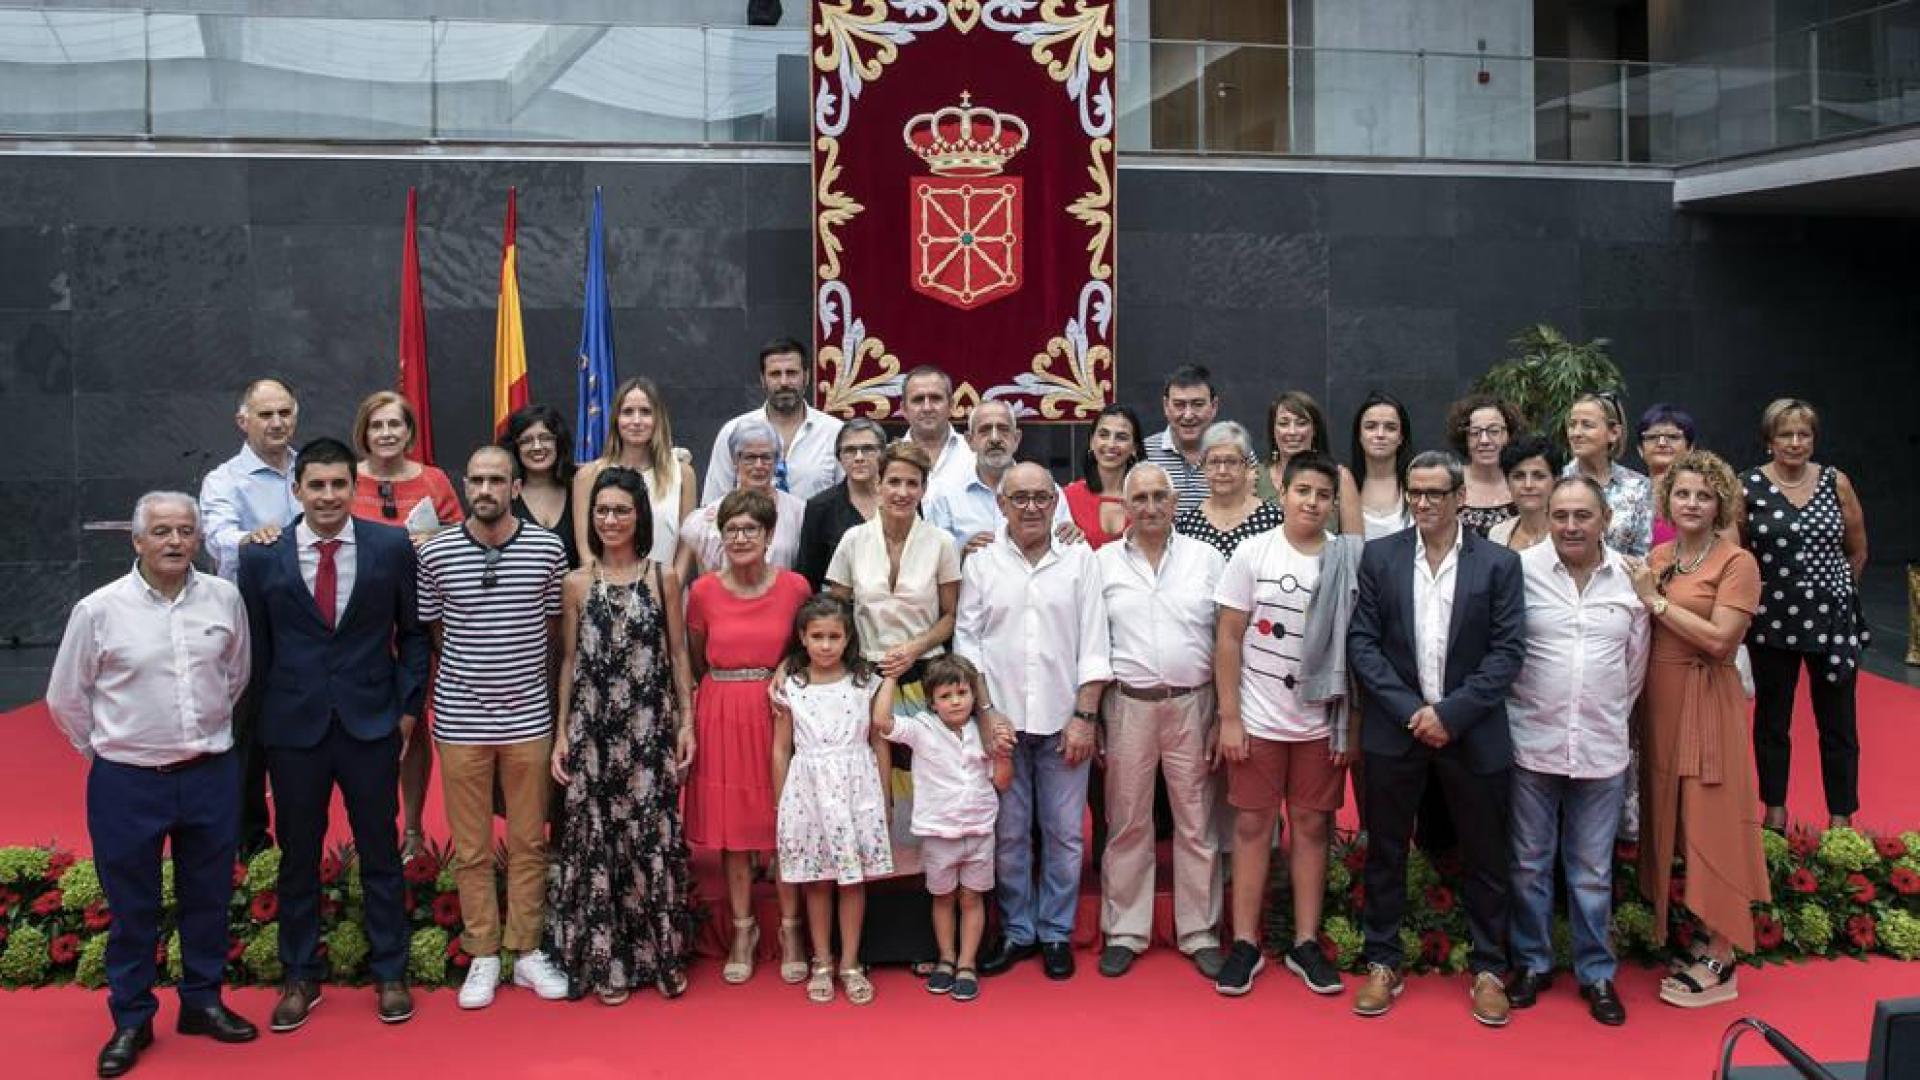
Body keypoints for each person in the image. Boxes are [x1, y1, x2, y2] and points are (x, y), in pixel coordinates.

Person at [48, 492, 259, 1077]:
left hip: (210, 774)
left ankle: (203, 1002)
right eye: (161, 531)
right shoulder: (99, 610)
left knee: (209, 897)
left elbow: (236, 675)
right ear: (137, 541)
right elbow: (66, 697)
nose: (174, 541)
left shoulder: (225, 598)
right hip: (127, 782)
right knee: (132, 906)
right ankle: (132, 1017)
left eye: (185, 531)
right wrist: (110, 748)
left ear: (197, 539)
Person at [237, 437, 428, 1034]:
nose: (327, 495)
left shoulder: (390, 547)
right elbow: (255, 652)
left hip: (370, 722)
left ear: (355, 487)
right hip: (293, 730)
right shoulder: (260, 557)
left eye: (338, 484)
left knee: (380, 851)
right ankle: (299, 975)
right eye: (315, 485)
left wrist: (405, 707)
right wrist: (258, 733)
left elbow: (414, 634)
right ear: (297, 489)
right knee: (298, 857)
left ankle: (390, 972)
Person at [1347, 450, 1525, 1027]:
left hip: (1471, 733)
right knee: (1386, 851)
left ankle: (1491, 968)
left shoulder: (1498, 564)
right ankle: (1382, 960)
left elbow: (1507, 654)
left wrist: (1451, 713)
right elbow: (1363, 646)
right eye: (1414, 493)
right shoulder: (1380, 557)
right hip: (1396, 732)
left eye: (1435, 494)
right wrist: (1411, 712)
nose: (1423, 504)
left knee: (1485, 854)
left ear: (1459, 499)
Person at [416, 446, 571, 1010]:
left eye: (497, 480)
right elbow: (435, 633)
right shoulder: (434, 554)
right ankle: (483, 951)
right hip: (460, 718)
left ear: (514, 488)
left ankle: (527, 951)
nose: (486, 489)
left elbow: (555, 632)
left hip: (529, 716)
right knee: (475, 844)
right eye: (477, 479)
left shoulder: (547, 549)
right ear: (465, 484)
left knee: (531, 839)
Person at [1212, 453, 1363, 997]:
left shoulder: (1345, 559)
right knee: (1252, 828)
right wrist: (1229, 717)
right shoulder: (1253, 553)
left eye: (1323, 494)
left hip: (1321, 724)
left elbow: (1359, 647)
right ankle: (1247, 943)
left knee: (1312, 828)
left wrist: (1351, 727)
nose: (1312, 502)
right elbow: (1228, 638)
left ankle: (1303, 941)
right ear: (1283, 490)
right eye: (1303, 491)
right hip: (1258, 720)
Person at [545, 467, 697, 1005]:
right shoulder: (576, 582)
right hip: (591, 732)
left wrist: (687, 723)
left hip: (648, 730)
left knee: (648, 836)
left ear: (640, 518)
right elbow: (569, 661)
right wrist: (562, 732)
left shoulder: (663, 578)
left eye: (621, 511)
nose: (610, 520)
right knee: (597, 840)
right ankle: (607, 962)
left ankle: (659, 955)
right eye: (602, 511)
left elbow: (679, 654)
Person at [958, 463, 1113, 981]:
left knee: (1066, 834)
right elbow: (968, 644)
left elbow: (1095, 643)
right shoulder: (982, 564)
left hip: (1063, 719)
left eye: (1040, 497)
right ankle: (1018, 931)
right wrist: (984, 713)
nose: (1030, 507)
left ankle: (1055, 932)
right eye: (1018, 497)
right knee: (1008, 834)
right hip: (1001, 725)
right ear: (1001, 504)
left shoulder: (1079, 560)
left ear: (1055, 503)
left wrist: (1085, 716)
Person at [1505, 477, 1649, 1027]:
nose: (1570, 525)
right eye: (1561, 514)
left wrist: (1604, 711)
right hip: (1532, 742)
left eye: (1582, 516)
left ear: (1605, 518)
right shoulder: (1519, 572)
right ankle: (1534, 964)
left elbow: (1634, 667)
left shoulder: (1631, 580)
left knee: (1591, 869)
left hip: (1601, 746)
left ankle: (1596, 973)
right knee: (1527, 864)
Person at [1630, 450, 1770, 1007]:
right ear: (1669, 500)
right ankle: (1687, 931)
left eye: (1703, 496)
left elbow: (1720, 641)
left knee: (1712, 821)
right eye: (1683, 494)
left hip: (1707, 702)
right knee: (1673, 821)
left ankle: (1722, 953)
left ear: (1721, 505)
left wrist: (1656, 602)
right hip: (1659, 707)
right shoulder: (1660, 556)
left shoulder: (1737, 563)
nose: (1691, 503)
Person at [1093, 462, 1226, 980]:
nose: (1149, 507)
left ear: (1175, 504)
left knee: (1196, 822)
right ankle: (1125, 929)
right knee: (1127, 820)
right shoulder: (1101, 563)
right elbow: (1091, 640)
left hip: (1195, 702)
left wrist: (1225, 714)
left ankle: (1199, 932)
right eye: (1139, 498)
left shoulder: (1206, 558)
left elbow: (1226, 640)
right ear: (1124, 507)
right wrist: (1091, 712)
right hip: (1127, 703)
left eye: (1158, 497)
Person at [684, 489, 815, 985]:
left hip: (778, 713)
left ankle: (791, 928)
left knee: (786, 825)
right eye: (732, 529)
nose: (741, 538)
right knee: (733, 834)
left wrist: (783, 667)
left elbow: (807, 646)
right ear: (720, 537)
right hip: (721, 710)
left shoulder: (796, 587)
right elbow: (696, 657)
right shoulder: (702, 592)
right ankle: (742, 930)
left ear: (769, 536)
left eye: (751, 530)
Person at [1741, 398, 1870, 831]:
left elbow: (1857, 548)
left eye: (1804, 434)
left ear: (1813, 439)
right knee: (1772, 721)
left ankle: (1841, 819)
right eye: (1785, 434)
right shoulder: (1747, 486)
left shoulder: (1837, 482)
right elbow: (1738, 555)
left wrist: (1835, 591)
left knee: (1838, 722)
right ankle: (1774, 812)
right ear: (1768, 440)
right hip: (1770, 621)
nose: (1795, 443)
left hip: (1832, 622)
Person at [349, 390, 463, 861]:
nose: (387, 433)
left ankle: (414, 832)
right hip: (361, 624)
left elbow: (457, 544)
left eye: (395, 425)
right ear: (364, 433)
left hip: (421, 618)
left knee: (414, 725)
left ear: (410, 432)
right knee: (359, 731)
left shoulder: (434, 480)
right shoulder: (345, 480)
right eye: (377, 426)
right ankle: (367, 831)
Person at [771, 595, 894, 1005]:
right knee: (818, 879)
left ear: (847, 639)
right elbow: (780, 748)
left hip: (857, 789)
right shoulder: (791, 686)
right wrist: (780, 804)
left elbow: (879, 743)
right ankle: (822, 959)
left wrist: (885, 797)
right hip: (807, 790)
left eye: (834, 636)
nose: (825, 645)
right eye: (817, 636)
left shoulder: (864, 683)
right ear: (802, 638)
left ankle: (851, 962)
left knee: (853, 879)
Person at [199, 377, 300, 857]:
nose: (277, 422)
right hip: (249, 622)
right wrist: (251, 539)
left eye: (284, 412)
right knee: (249, 734)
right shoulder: (223, 480)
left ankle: (301, 841)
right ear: (243, 421)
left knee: (304, 735)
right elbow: (217, 536)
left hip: (309, 622)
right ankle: (249, 845)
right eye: (266, 414)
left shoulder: (312, 469)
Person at [873, 655, 1011, 1003]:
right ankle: (946, 959)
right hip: (938, 831)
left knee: (971, 897)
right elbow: (882, 722)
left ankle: (967, 964)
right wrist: (892, 677)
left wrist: (1004, 753)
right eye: (946, 696)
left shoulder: (986, 729)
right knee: (943, 897)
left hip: (979, 829)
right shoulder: (921, 728)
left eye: (962, 692)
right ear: (931, 701)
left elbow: (1004, 783)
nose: (956, 701)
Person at [825, 441, 962, 689]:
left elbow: (951, 615)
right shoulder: (853, 539)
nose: (902, 492)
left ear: (924, 489)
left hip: (927, 670)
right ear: (878, 484)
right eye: (894, 481)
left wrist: (914, 648)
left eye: (912, 483)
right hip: (865, 670)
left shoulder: (943, 542)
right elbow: (835, 610)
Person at [704, 337, 845, 503]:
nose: (784, 382)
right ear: (763, 380)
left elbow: (847, 503)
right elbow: (713, 503)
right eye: (775, 374)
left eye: (791, 373)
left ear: (806, 377)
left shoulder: (835, 432)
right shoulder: (733, 431)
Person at [925, 399, 1075, 555]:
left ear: (1016, 439)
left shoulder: (1047, 491)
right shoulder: (946, 494)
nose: (995, 438)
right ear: (970, 441)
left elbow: (1066, 546)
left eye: (1003, 429)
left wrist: (1071, 534)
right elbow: (934, 557)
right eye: (985, 430)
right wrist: (961, 555)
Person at [574, 377, 697, 568]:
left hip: (667, 592)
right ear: (616, 418)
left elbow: (686, 547)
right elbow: (585, 550)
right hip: (605, 592)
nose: (636, 421)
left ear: (658, 419)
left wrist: (667, 590)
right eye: (628, 412)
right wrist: (605, 593)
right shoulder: (588, 476)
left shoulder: (683, 474)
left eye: (646, 412)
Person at [676, 418, 807, 579]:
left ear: (777, 461)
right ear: (735, 460)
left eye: (766, 457)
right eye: (750, 457)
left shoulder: (800, 513)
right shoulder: (706, 520)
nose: (759, 465)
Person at [796, 419, 887, 588]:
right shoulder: (820, 508)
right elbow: (809, 577)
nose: (859, 457)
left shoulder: (899, 498)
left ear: (882, 454)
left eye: (868, 449)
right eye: (850, 450)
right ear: (839, 457)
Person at [1174, 421, 1281, 559]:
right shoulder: (1186, 525)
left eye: (1231, 461)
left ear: (1246, 466)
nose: (1222, 471)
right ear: (1204, 467)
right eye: (1214, 462)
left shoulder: (1273, 520)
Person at [1564, 392, 1653, 557]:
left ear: (1613, 432)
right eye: (1572, 424)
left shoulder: (1639, 487)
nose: (1576, 433)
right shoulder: (1556, 482)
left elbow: (1643, 553)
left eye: (1587, 425)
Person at [1255, 391, 1358, 533]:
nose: (1292, 431)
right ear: (1273, 430)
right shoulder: (1254, 477)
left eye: (1301, 423)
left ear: (1315, 429)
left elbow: (1354, 546)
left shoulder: (1340, 477)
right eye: (1283, 424)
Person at [503, 403, 581, 570]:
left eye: (545, 438)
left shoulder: (581, 486)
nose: (537, 447)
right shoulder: (504, 494)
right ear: (515, 448)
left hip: (578, 593)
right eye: (526, 440)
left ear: (559, 442)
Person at [1062, 404, 1144, 549]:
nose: (1111, 444)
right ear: (1091, 442)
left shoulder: (1146, 499)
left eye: (1121, 437)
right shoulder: (1067, 497)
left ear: (1134, 449)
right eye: (1103, 435)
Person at [1447, 393, 1524, 537]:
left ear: (1509, 434)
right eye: (1474, 433)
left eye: (1494, 431)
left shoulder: (1526, 482)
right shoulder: (1450, 482)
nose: (1484, 440)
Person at [1145, 364, 1218, 513]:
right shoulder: (1144, 453)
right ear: (1166, 406)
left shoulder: (1238, 453)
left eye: (1197, 404)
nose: (1188, 415)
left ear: (1214, 406)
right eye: (1179, 405)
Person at [899, 365, 976, 496]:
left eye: (935, 398)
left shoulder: (974, 453)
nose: (927, 408)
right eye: (918, 400)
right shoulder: (887, 459)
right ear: (904, 409)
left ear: (951, 405)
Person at [1348, 391, 1412, 540]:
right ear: (1359, 435)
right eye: (1371, 427)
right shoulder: (1343, 485)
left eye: (1390, 428)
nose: (1380, 434)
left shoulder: (1416, 485)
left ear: (1401, 437)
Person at [1635, 404, 1696, 548]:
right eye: (1652, 437)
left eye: (1673, 437)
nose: (1662, 443)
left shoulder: (1709, 494)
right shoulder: (1626, 495)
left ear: (1690, 448)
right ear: (1640, 450)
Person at [1488, 433, 1562, 552]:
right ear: (1507, 482)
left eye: (1539, 476)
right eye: (1519, 476)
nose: (1528, 485)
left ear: (1556, 481)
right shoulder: (1497, 535)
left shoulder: (1568, 533)